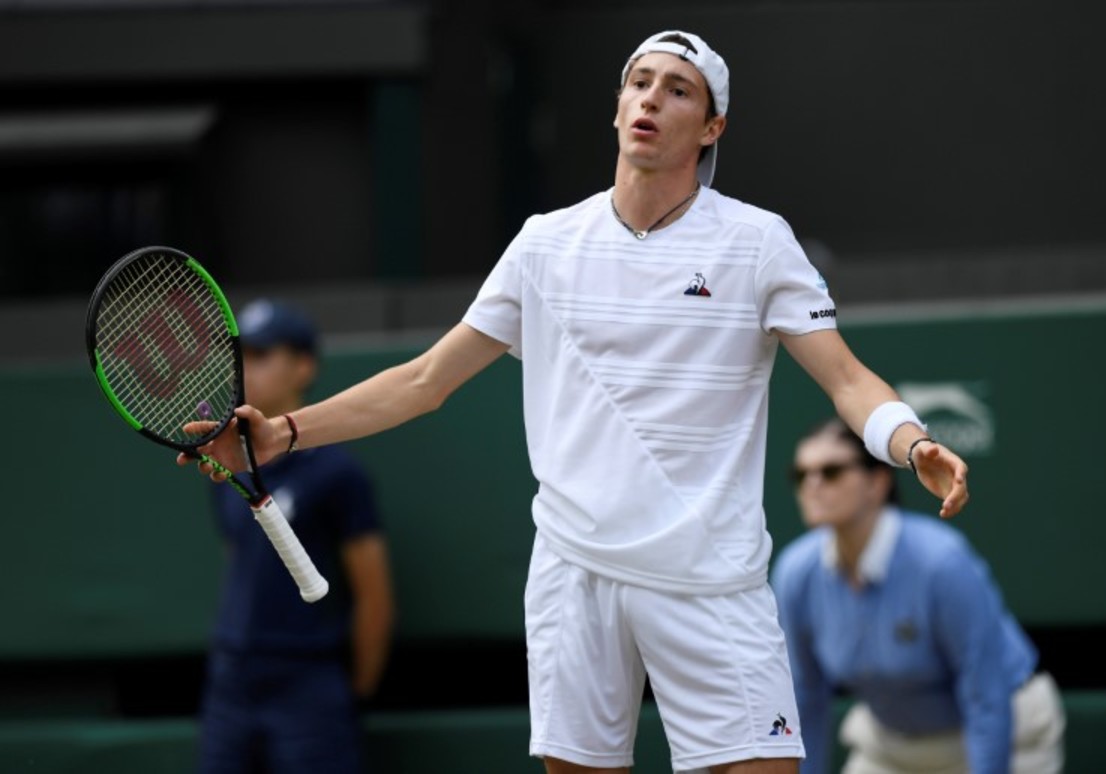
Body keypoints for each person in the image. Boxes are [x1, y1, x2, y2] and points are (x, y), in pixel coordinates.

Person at [181, 30, 969, 774]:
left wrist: (908, 439)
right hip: (575, 574)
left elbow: (845, 377)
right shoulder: (543, 244)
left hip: (712, 581)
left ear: (711, 127)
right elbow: (426, 380)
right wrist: (283, 432)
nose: (651, 98)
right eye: (639, 83)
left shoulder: (758, 241)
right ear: (619, 108)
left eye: (678, 90)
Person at [770, 417, 1065, 774]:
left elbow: (985, 696)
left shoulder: (941, 563)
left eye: (831, 472)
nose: (812, 485)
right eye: (801, 475)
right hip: (891, 748)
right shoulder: (795, 572)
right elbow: (805, 697)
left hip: (1006, 734)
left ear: (878, 482)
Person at [197, 298, 395, 774]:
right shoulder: (224, 468)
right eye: (242, 356)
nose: (246, 369)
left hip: (309, 684)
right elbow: (236, 559)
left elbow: (375, 597)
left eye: (262, 355)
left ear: (303, 366)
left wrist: (354, 693)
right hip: (231, 682)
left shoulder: (338, 474)